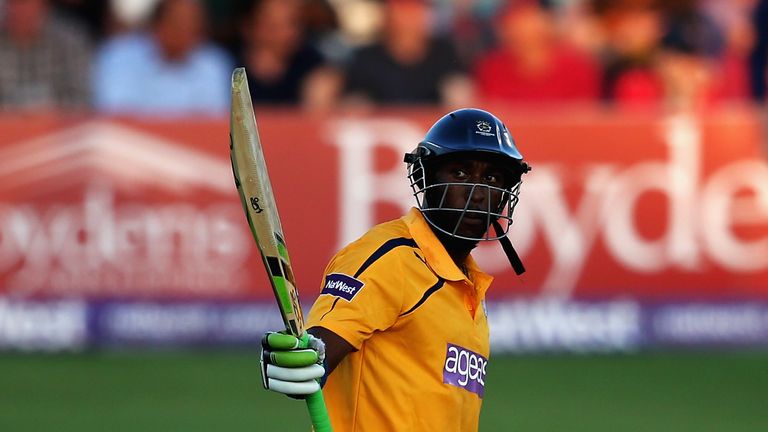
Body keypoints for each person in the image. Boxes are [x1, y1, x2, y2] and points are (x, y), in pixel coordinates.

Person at [260, 108, 531, 431]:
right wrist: (305, 358)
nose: (477, 192)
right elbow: (320, 348)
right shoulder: (390, 257)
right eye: (459, 173)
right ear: (423, 178)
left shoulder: (470, 286)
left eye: (492, 178)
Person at [92, 0, 232, 116]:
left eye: (193, 26)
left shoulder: (214, 64)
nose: (185, 32)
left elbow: (213, 121)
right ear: (157, 24)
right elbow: (115, 115)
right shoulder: (119, 56)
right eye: (178, 24)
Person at [0, 0, 92, 110]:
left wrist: (48, 109)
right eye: (12, 3)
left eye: (23, 3)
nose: (16, 10)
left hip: (60, 123)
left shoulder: (70, 42)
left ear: (44, 5)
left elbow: (82, 97)